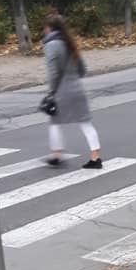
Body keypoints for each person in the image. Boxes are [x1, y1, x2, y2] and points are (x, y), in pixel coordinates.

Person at [42, 13, 102, 169]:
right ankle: (96, 158)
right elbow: (82, 69)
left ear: (49, 28)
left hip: (62, 91)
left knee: (55, 123)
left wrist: (52, 92)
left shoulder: (50, 45)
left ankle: (57, 155)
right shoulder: (70, 43)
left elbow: (54, 72)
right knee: (86, 124)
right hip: (77, 88)